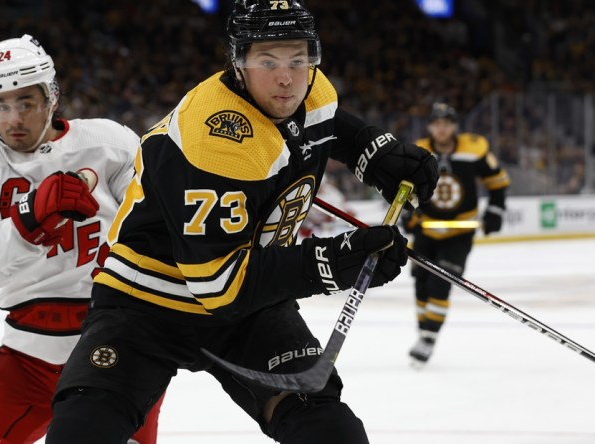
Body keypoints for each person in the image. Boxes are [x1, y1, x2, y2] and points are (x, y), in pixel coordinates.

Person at [47, 2, 439, 443]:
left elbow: (324, 123)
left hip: (252, 304)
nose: (287, 77)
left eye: (298, 58)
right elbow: (219, 287)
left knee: (330, 430)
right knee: (81, 430)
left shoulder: (312, 89)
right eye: (265, 62)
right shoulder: (217, 135)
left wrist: (371, 149)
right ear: (237, 64)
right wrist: (328, 262)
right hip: (147, 301)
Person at [0, 34, 162, 444]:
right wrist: (29, 218)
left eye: (26, 102)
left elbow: (159, 231)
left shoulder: (109, 144)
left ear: (51, 97)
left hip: (118, 346)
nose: (13, 119)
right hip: (28, 356)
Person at [406, 102, 510, 366]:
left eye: (447, 124)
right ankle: (424, 330)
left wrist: (495, 211)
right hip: (427, 228)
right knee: (421, 283)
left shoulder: (474, 148)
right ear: (431, 126)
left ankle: (428, 338)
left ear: (454, 127)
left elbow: (498, 182)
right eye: (437, 124)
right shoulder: (419, 150)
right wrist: (407, 213)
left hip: (459, 231)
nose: (442, 129)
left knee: (441, 280)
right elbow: (404, 187)